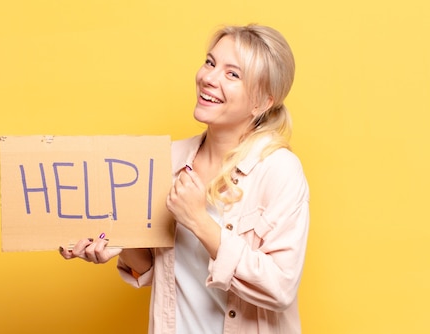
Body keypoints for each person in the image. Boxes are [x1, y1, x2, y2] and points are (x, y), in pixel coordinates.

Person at [59, 24, 310, 334]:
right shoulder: (166, 159)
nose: (208, 78)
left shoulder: (279, 170)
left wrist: (198, 220)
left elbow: (280, 288)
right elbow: (153, 270)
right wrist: (116, 243)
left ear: (262, 102)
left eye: (233, 74)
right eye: (210, 62)